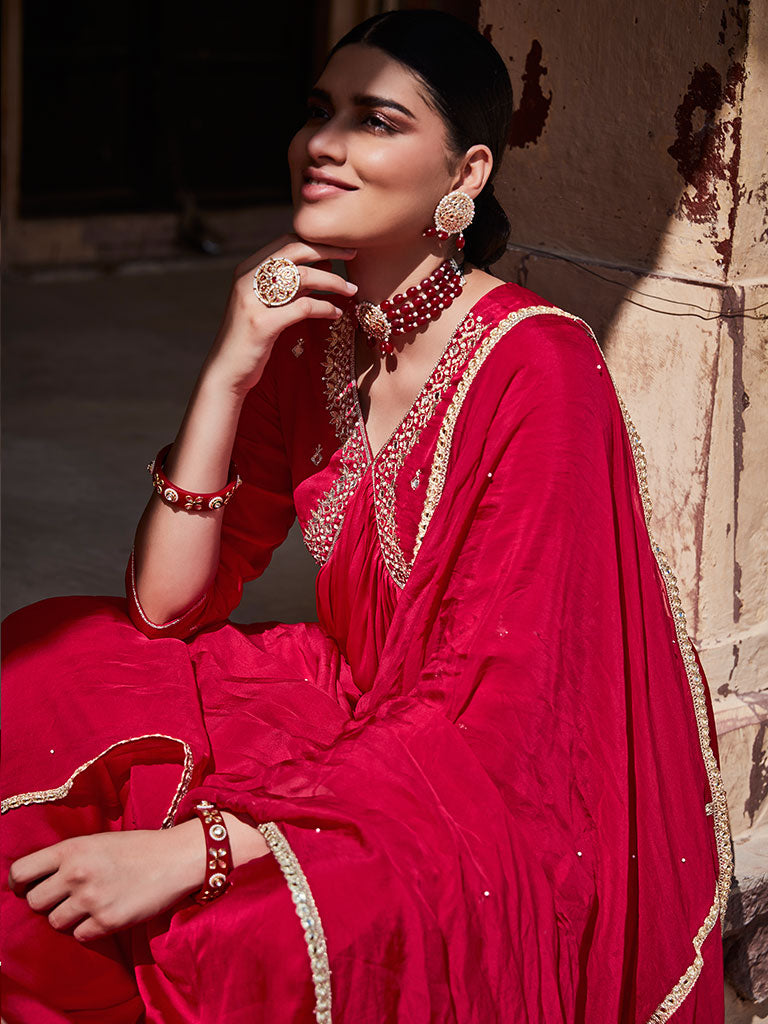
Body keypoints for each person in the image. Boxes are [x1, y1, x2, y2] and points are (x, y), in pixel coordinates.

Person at [1, 10, 733, 1023]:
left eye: (374, 119)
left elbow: (502, 715)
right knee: (46, 670)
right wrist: (229, 368)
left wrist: (200, 848)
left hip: (488, 774)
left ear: (466, 174)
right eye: (317, 112)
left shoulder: (539, 367)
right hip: (356, 696)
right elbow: (168, 606)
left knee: (242, 931)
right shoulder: (315, 342)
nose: (323, 144)